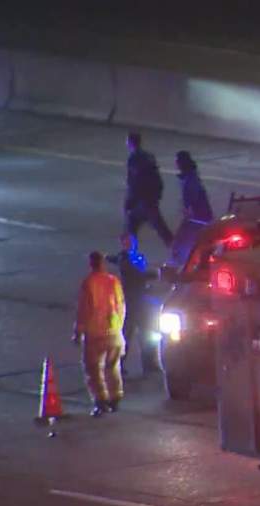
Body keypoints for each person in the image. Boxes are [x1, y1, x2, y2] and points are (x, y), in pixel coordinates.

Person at [73, 251, 126, 417]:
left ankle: (101, 401)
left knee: (94, 370)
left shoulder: (89, 283)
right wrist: (119, 327)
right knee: (113, 366)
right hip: (115, 332)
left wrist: (78, 332)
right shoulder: (114, 281)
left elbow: (84, 310)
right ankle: (116, 396)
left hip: (96, 332)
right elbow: (122, 306)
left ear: (91, 264)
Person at [106, 234, 155, 376]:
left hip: (139, 300)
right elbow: (138, 274)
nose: (130, 244)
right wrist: (155, 274)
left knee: (146, 334)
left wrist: (107, 257)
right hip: (131, 301)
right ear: (123, 243)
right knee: (128, 333)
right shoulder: (125, 259)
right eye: (127, 242)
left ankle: (149, 364)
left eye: (132, 242)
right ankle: (118, 364)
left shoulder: (134, 256)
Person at [124, 132, 173, 247]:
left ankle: (131, 253)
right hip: (151, 197)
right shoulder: (149, 156)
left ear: (130, 143)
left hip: (143, 200)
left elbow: (134, 182)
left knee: (133, 224)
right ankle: (173, 246)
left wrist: (129, 202)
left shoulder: (133, 159)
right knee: (157, 225)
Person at [170, 150, 214, 267]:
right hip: (197, 216)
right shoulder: (189, 177)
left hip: (198, 217)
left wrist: (188, 211)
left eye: (177, 161)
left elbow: (192, 198)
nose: (175, 164)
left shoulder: (190, 179)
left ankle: (183, 263)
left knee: (185, 240)